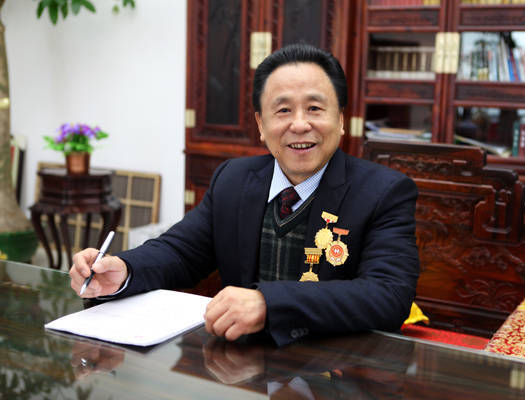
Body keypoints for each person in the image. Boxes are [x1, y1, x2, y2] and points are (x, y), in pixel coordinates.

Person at [69, 43, 420, 346]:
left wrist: (269, 303)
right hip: (241, 366)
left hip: (333, 369)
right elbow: (180, 252)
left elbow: (388, 296)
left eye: (315, 108)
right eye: (283, 110)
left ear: (341, 120)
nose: (300, 124)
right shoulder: (234, 179)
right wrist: (124, 270)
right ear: (261, 125)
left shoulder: (384, 192)